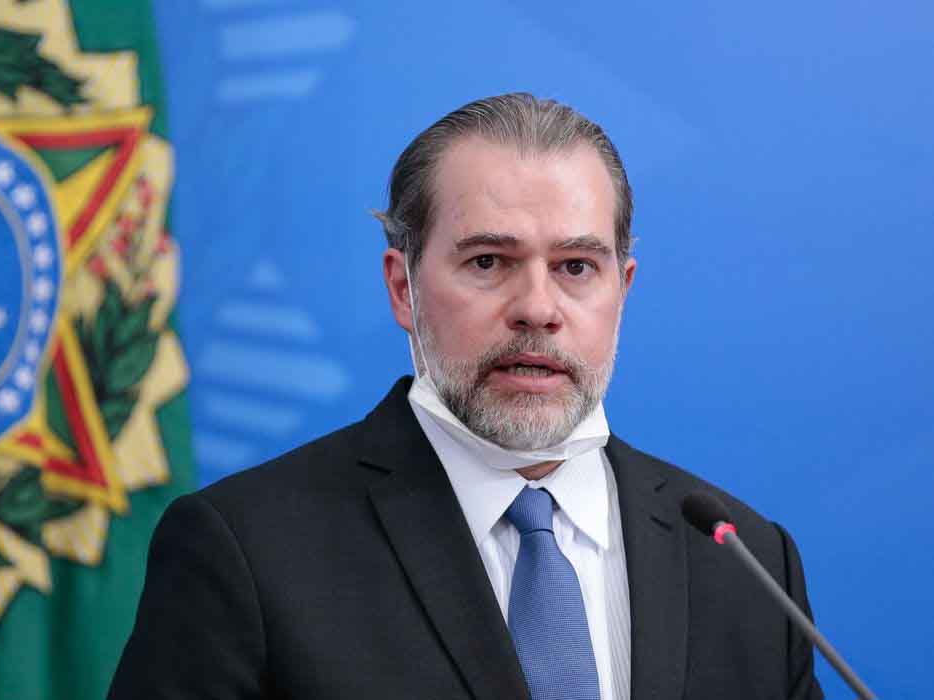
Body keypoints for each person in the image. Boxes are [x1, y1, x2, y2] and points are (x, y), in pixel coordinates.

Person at [107, 93, 823, 700]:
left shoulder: (747, 563)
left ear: (622, 290)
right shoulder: (246, 550)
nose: (537, 308)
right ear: (403, 288)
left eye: (576, 266)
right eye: (488, 261)